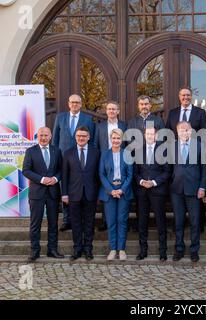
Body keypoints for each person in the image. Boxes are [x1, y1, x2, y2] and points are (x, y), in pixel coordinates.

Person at [166, 87, 206, 233]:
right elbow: (168, 135)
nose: (186, 97)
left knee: (195, 216)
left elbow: (204, 135)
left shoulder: (200, 113)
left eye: (188, 95)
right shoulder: (172, 113)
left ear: (191, 97)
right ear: (179, 97)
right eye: (183, 95)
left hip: (194, 157)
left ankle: (198, 229)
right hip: (178, 162)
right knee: (178, 217)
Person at [52, 94, 95, 232]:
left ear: (81, 104)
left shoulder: (88, 119)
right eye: (72, 102)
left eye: (77, 102)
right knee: (65, 187)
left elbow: (92, 140)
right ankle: (66, 220)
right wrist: (55, 158)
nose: (75, 104)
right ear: (68, 103)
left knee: (80, 188)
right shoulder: (60, 117)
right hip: (65, 159)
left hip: (82, 158)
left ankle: (81, 218)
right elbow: (55, 140)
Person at [22, 127, 64, 262]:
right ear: (37, 136)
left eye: (46, 135)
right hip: (37, 193)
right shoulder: (31, 151)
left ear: (50, 136)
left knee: (53, 223)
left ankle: (52, 249)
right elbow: (26, 171)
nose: (43, 138)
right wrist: (42, 179)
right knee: (35, 223)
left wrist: (56, 179)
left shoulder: (56, 151)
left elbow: (61, 170)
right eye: (41, 135)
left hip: (53, 192)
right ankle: (35, 251)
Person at [170, 121, 206, 263]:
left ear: (191, 131)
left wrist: (203, 187)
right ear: (177, 132)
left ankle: (194, 250)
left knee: (194, 221)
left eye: (187, 130)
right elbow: (168, 168)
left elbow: (204, 169)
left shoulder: (199, 146)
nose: (184, 132)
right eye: (181, 130)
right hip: (176, 190)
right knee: (178, 221)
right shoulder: (171, 146)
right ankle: (179, 249)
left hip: (194, 189)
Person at [62, 126, 100, 261]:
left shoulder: (96, 153)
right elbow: (65, 175)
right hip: (73, 194)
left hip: (91, 194)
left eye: (84, 136)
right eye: (79, 136)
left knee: (89, 223)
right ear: (75, 137)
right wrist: (64, 194)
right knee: (76, 223)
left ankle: (88, 249)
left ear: (88, 137)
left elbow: (98, 175)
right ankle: (77, 249)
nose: (81, 138)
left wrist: (99, 194)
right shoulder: (68, 153)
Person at [127, 95, 165, 232]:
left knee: (157, 207)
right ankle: (140, 226)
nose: (144, 106)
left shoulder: (158, 121)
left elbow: (162, 141)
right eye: (141, 104)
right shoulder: (132, 122)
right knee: (140, 203)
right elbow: (129, 143)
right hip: (138, 164)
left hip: (155, 164)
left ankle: (157, 226)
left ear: (150, 106)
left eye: (146, 104)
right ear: (138, 106)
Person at [134, 127, 171, 262]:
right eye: (147, 134)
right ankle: (143, 250)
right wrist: (142, 181)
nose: (150, 136)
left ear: (156, 135)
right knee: (142, 222)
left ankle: (163, 251)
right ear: (144, 135)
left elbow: (167, 171)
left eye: (152, 134)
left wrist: (154, 182)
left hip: (157, 191)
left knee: (160, 222)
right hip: (142, 191)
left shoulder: (163, 150)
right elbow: (135, 172)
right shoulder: (138, 150)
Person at [99, 128, 134, 261]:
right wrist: (110, 190)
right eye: (113, 138)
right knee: (111, 221)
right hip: (109, 192)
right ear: (110, 139)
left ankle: (122, 249)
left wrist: (121, 190)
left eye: (118, 138)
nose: (116, 140)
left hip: (123, 192)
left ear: (121, 139)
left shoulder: (127, 154)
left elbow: (130, 175)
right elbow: (101, 174)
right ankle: (113, 249)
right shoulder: (104, 154)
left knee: (122, 220)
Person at [94, 101, 127, 231]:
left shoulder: (124, 125)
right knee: (106, 190)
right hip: (105, 162)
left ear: (118, 111)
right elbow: (96, 145)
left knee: (120, 189)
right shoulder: (100, 126)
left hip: (120, 161)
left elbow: (127, 144)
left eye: (114, 109)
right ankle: (105, 221)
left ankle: (121, 220)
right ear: (106, 111)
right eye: (109, 109)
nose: (112, 111)